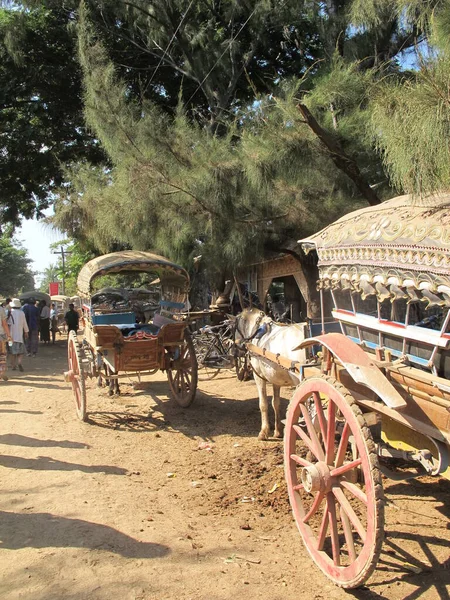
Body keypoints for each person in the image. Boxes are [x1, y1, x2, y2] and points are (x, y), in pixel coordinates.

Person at [8, 298, 29, 372]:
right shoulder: (22, 313)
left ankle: (13, 365)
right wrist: (26, 332)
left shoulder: (9, 313)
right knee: (20, 352)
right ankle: (19, 362)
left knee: (11, 352)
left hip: (11, 336)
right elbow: (24, 323)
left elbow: (7, 324)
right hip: (20, 336)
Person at [0, 302, 12, 381]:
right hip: (1, 336)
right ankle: (1, 372)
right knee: (2, 355)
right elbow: (4, 324)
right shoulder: (1, 309)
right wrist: (9, 336)